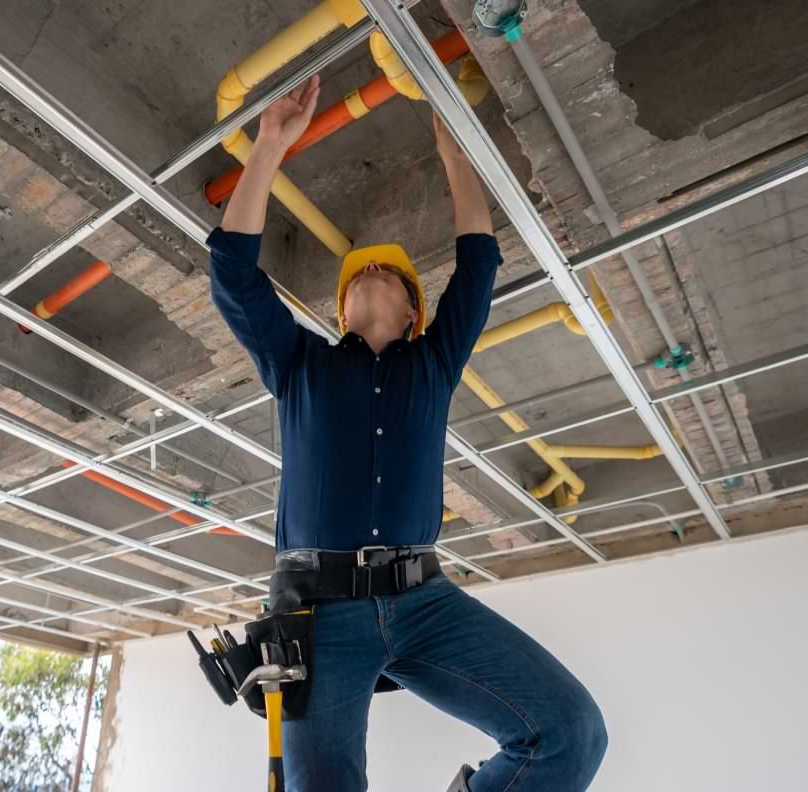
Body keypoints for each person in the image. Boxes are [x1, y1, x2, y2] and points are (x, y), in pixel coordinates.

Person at [208, 74, 608, 792]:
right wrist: (268, 145)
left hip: (425, 603)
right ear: (338, 314)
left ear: (415, 314)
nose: (370, 276)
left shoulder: (433, 364)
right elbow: (233, 276)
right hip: (319, 612)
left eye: (389, 275)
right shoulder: (300, 363)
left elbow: (479, 265)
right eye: (359, 277)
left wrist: (455, 147)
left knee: (570, 735)